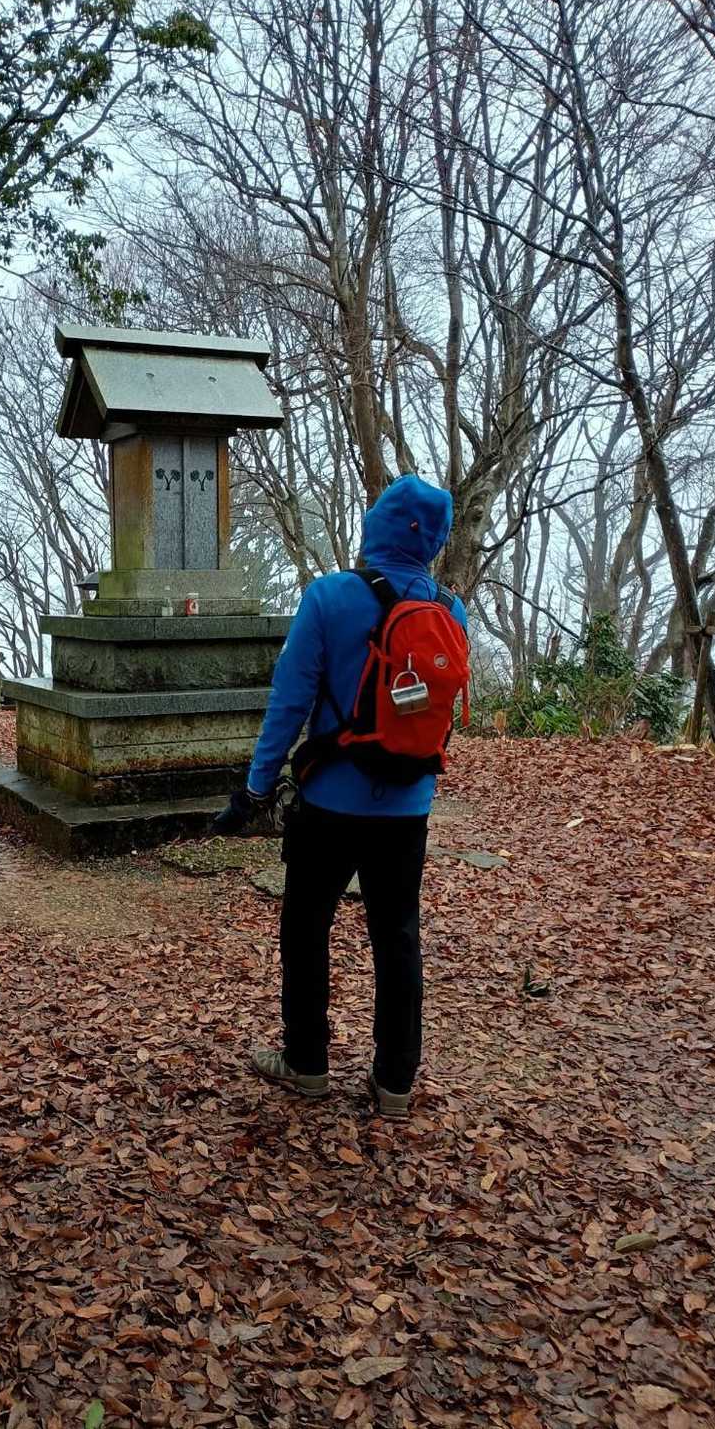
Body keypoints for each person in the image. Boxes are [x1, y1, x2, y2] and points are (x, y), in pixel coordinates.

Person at [213, 476, 467, 1117]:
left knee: (305, 928)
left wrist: (255, 787)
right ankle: (395, 1082)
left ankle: (307, 1064)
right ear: (433, 542)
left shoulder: (329, 597)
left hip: (329, 801)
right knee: (397, 937)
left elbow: (289, 702)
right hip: (407, 806)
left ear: (376, 527)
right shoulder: (450, 610)